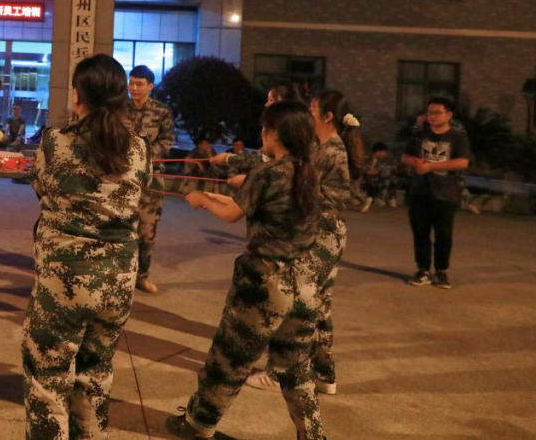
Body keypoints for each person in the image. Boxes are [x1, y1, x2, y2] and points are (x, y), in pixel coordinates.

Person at [168, 100, 325, 440]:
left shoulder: (268, 172)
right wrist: (212, 196)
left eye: (265, 128)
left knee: (229, 358)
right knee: (296, 367)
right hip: (306, 281)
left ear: (276, 134)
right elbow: (246, 206)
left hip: (265, 282)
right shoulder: (309, 172)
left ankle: (198, 425)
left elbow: (231, 214)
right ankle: (311, 434)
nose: (262, 134)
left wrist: (201, 200)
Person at [22, 54, 150, 439]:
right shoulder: (139, 148)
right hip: (118, 281)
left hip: (65, 279)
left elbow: (42, 188)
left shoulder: (55, 142)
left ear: (78, 96)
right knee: (95, 375)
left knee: (48, 377)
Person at [246, 89, 363, 396]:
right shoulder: (321, 146)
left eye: (312, 109)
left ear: (327, 116)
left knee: (297, 303)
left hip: (322, 233)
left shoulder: (330, 151)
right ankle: (324, 373)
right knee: (316, 305)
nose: (308, 114)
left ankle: (280, 373)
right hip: (323, 230)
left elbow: (301, 182)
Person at [402, 97, 472, 290]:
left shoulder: (458, 137)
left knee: (444, 236)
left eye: (436, 113)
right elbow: (405, 155)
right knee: (420, 234)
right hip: (419, 192)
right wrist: (413, 162)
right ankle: (423, 270)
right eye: (429, 112)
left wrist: (431, 166)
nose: (432, 116)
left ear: (448, 115)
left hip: (445, 194)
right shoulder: (420, 135)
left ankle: (441, 271)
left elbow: (463, 162)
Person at [126, 65, 175, 294]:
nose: (134, 88)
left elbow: (167, 141)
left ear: (150, 86)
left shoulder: (162, 111)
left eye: (139, 84)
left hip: (151, 178)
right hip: (123, 176)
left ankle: (142, 276)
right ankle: (121, 274)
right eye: (131, 83)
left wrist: (143, 155)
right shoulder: (119, 110)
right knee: (120, 227)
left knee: (146, 231)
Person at [361, 142, 399, 210]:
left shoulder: (386, 160)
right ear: (378, 151)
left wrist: (378, 171)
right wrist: (369, 171)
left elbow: (388, 169)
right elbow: (363, 169)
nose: (384, 154)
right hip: (367, 180)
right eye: (383, 152)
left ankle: (389, 199)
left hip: (379, 180)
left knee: (391, 179)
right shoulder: (366, 158)